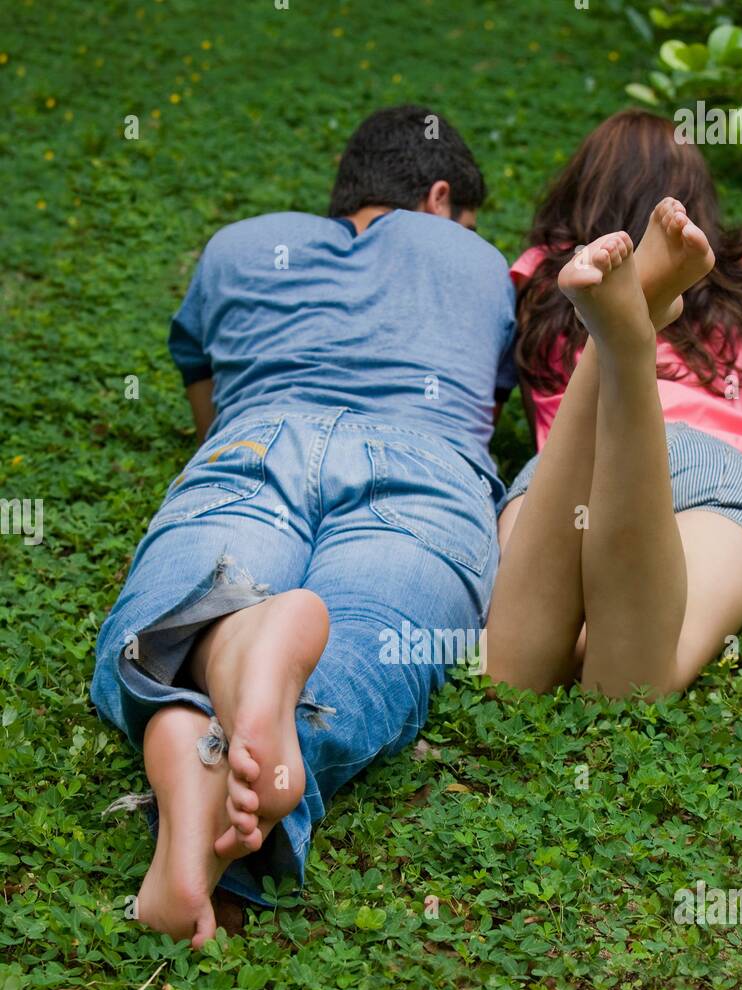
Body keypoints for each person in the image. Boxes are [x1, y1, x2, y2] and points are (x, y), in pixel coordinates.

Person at [91, 105, 517, 946]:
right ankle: (242, 729)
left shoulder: (240, 246)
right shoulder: (475, 261)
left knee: (158, 620)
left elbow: (204, 405)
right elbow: (489, 403)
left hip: (256, 440)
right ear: (441, 200)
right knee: (370, 643)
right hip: (420, 464)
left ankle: (207, 673)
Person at [485, 109, 742, 698]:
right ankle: (630, 337)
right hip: (719, 463)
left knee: (509, 677)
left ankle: (616, 342)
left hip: (576, 459)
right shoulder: (737, 277)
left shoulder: (544, 277)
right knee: (628, 685)